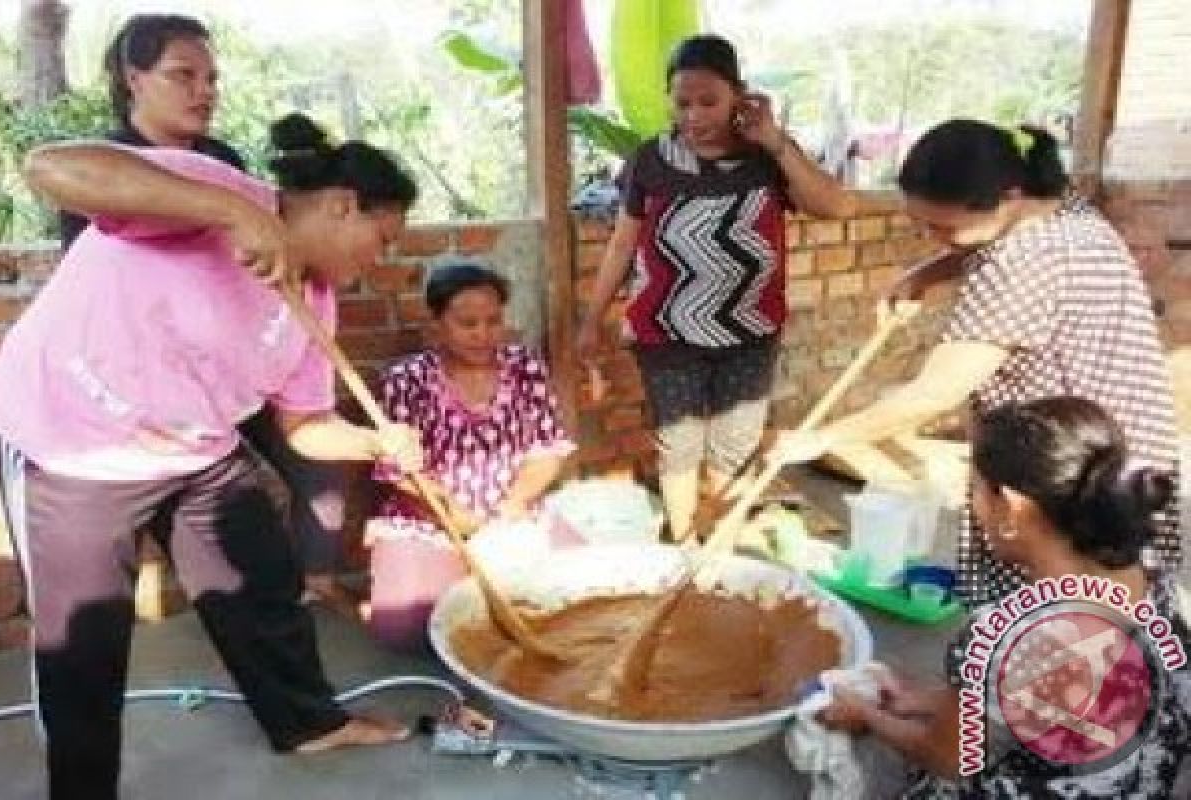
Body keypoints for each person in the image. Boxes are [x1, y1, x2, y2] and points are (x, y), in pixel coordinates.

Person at [0, 113, 423, 799]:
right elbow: (49, 167)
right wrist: (228, 212)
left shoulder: (315, 299)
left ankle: (307, 723)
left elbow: (305, 424)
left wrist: (378, 441)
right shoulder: (214, 185)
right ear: (343, 205)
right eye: (382, 237)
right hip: (73, 445)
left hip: (196, 450)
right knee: (84, 649)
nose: (381, 258)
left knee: (262, 580)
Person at [773, 119, 1180, 607]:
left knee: (1061, 614)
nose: (931, 237)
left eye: (944, 228)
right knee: (1121, 599)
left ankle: (1016, 673)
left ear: (1007, 195)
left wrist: (820, 438)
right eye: (921, 224)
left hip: (1068, 471)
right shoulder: (1065, 212)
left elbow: (935, 392)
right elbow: (987, 242)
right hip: (1125, 441)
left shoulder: (1017, 265)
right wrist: (930, 271)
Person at [59, 13, 354, 613]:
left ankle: (315, 594)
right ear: (133, 77)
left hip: (230, 371)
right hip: (144, 390)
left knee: (317, 462)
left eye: (212, 79)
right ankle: (153, 609)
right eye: (183, 75)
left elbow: (251, 264)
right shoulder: (102, 165)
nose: (204, 91)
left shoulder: (222, 156)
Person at [818, 396, 1191, 797]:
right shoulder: (1157, 584)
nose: (971, 506)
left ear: (1012, 508)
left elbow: (951, 757)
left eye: (975, 489)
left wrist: (869, 716)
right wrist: (920, 700)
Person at [575, 33, 857, 543]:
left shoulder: (767, 157)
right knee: (678, 447)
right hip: (666, 332)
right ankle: (686, 550)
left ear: (739, 98)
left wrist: (774, 140)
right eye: (683, 103)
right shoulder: (650, 161)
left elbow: (836, 207)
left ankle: (721, 549)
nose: (696, 116)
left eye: (710, 101)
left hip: (750, 332)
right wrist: (592, 319)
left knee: (734, 450)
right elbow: (622, 244)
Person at [364, 261, 576, 649]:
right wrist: (456, 520)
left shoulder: (525, 367)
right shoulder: (407, 380)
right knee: (405, 630)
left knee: (575, 594)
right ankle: (445, 574)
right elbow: (402, 473)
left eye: (493, 321)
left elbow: (547, 449)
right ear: (437, 324)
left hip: (512, 512)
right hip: (432, 519)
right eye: (467, 323)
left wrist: (514, 504)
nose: (483, 334)